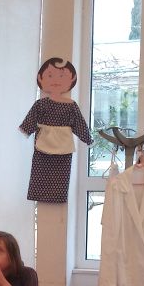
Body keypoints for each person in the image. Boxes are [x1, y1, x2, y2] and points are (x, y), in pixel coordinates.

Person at [20, 57, 91, 204]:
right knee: (40, 172)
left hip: (63, 146)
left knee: (61, 174)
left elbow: (79, 123)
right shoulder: (40, 104)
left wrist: (87, 138)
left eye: (61, 76)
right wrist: (26, 130)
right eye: (50, 75)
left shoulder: (71, 106)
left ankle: (58, 196)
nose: (56, 80)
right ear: (41, 78)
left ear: (72, 79)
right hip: (43, 145)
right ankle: (39, 194)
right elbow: (28, 124)